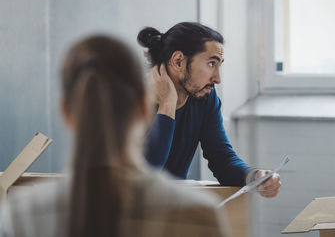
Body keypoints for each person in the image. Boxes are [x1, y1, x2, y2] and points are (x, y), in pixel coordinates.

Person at [0, 35, 229, 237]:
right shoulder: (199, 214)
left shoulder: (22, 215)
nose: (216, 78)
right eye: (211, 64)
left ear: (66, 112)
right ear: (142, 107)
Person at [138, 22, 281, 198]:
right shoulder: (132, 98)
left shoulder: (206, 99)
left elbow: (222, 159)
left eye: (219, 65)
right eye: (211, 64)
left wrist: (255, 176)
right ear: (178, 61)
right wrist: (168, 104)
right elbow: (145, 174)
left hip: (170, 206)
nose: (218, 78)